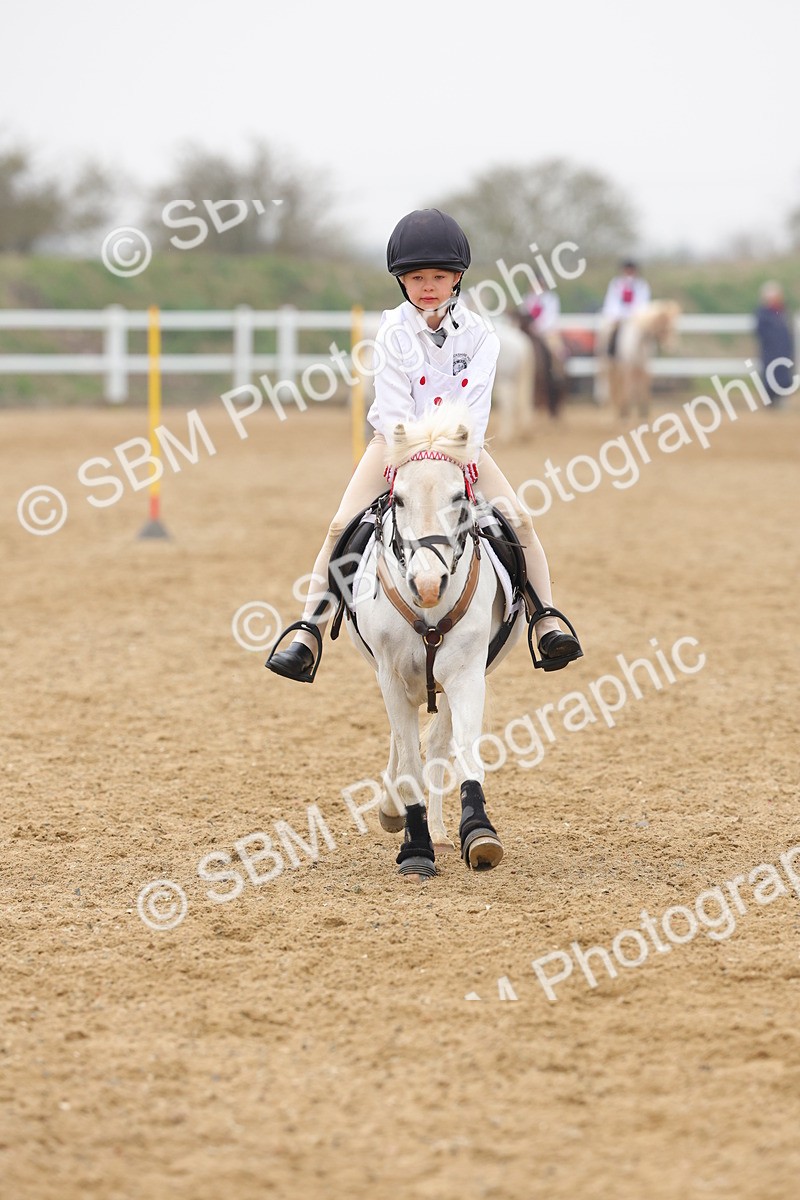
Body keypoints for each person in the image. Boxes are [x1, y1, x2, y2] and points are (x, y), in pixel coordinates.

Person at [266, 208, 581, 683]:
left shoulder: (481, 336)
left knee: (520, 520)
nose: (428, 286)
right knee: (338, 526)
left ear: (457, 279)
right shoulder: (390, 332)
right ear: (401, 281)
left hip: (460, 449)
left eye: (438, 276)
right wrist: (404, 466)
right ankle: (308, 629)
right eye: (416, 277)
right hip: (393, 447)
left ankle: (546, 618)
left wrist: (463, 463)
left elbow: (474, 411)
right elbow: (392, 410)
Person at [522, 272, 567, 417]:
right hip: (530, 333)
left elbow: (551, 317)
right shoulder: (527, 299)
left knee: (557, 351)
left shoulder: (551, 299)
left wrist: (538, 328)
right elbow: (524, 316)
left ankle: (557, 373)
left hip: (547, 332)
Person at [755, 281, 795, 407]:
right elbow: (761, 331)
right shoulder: (763, 313)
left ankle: (780, 399)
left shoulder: (783, 311)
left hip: (783, 351)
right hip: (770, 351)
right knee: (770, 375)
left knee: (783, 376)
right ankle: (770, 401)